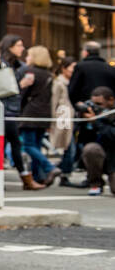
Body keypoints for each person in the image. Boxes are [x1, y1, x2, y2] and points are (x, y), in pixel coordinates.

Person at [18, 45, 61, 188]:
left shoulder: (29, 72)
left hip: (30, 112)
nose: (26, 58)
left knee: (28, 145)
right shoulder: (49, 75)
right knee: (36, 145)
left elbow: (22, 94)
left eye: (29, 55)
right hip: (45, 113)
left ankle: (49, 167)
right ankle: (38, 177)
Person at [0, 34, 36, 188]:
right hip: (3, 108)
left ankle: (25, 178)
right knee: (10, 143)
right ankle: (25, 179)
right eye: (19, 45)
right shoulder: (1, 63)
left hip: (14, 108)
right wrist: (22, 84)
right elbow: (2, 88)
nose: (22, 48)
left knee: (12, 143)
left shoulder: (19, 65)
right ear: (10, 46)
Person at [77, 86, 115, 195]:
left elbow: (112, 135)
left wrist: (97, 122)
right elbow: (82, 140)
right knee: (90, 149)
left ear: (111, 100)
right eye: (94, 104)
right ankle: (95, 183)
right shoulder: (95, 113)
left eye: (99, 104)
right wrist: (83, 120)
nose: (96, 107)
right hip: (99, 153)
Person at [52, 56, 78, 185]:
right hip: (63, 119)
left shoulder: (72, 83)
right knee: (69, 147)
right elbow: (54, 102)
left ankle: (59, 171)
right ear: (64, 68)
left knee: (70, 148)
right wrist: (51, 119)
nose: (74, 71)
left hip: (70, 118)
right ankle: (61, 172)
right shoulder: (59, 83)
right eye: (72, 67)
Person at [68, 41, 115, 105]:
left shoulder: (80, 67)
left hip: (87, 107)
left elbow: (72, 91)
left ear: (86, 52)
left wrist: (78, 106)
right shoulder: (110, 68)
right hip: (107, 108)